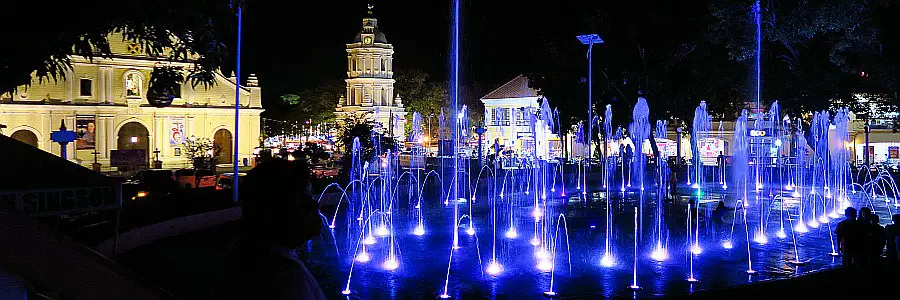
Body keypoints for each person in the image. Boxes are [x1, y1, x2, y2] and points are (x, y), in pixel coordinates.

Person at [220, 159, 326, 300]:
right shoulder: (285, 277)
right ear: (270, 210)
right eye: (302, 195)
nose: (314, 203)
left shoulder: (244, 255)